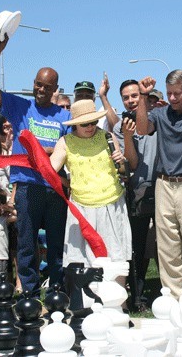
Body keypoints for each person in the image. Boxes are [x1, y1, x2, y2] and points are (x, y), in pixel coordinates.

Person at [0, 36, 71, 295]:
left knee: (56, 246)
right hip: (28, 187)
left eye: (47, 86)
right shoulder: (20, 107)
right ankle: (30, 297)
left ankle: (56, 294)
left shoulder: (65, 116)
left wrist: (50, 150)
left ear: (55, 88)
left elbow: (71, 148)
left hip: (55, 188)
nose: (40, 90)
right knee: (27, 245)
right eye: (37, 84)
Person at [135, 70, 182, 299]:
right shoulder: (159, 113)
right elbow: (141, 129)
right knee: (167, 247)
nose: (173, 98)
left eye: (178, 93)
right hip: (164, 184)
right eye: (169, 93)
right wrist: (142, 96)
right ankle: (172, 297)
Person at [49, 100, 131, 269]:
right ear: (76, 124)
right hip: (82, 209)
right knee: (83, 262)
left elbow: (124, 173)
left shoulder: (108, 136)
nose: (90, 127)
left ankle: (119, 295)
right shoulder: (65, 142)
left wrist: (122, 162)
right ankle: (86, 296)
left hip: (112, 204)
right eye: (85, 123)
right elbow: (49, 171)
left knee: (116, 259)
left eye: (94, 122)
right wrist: (65, 182)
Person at [113, 79, 159, 308]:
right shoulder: (118, 128)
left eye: (135, 95)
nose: (131, 101)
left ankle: (167, 291)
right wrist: (127, 136)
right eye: (126, 97)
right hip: (137, 191)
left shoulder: (158, 118)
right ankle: (137, 297)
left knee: (166, 245)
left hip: (163, 187)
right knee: (137, 248)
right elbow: (130, 162)